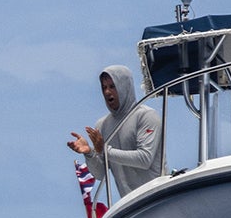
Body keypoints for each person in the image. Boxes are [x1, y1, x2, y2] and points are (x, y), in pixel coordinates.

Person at [66, 64, 161, 197]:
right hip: (129, 204)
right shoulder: (102, 125)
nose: (107, 92)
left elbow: (145, 159)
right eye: (104, 88)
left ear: (124, 87)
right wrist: (89, 153)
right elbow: (100, 173)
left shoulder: (146, 116)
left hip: (157, 195)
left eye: (112, 86)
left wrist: (104, 149)